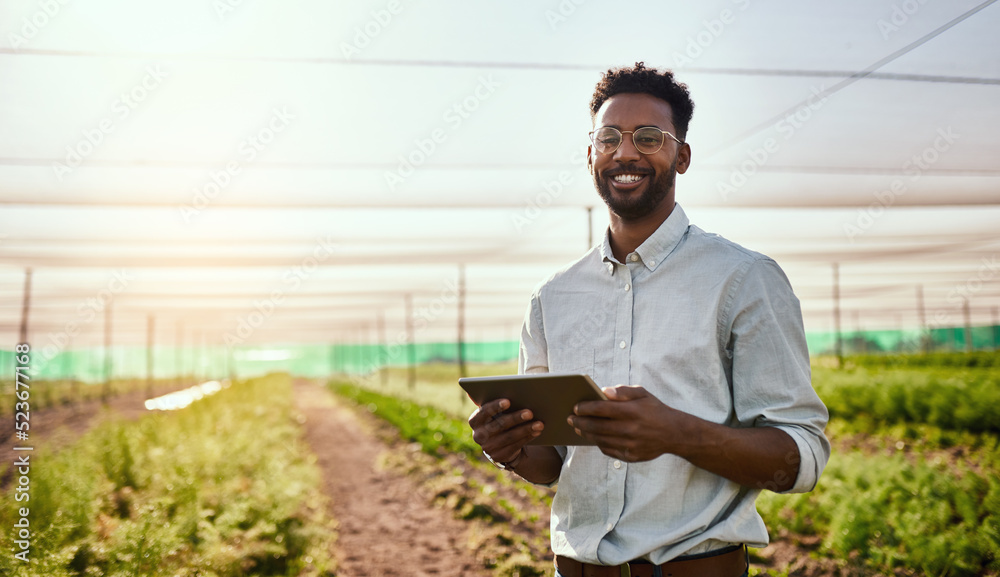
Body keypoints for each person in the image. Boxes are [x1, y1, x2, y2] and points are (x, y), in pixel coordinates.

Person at [467, 62, 830, 577]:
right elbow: (552, 464)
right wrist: (512, 450)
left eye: (649, 137)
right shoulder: (553, 296)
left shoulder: (744, 279)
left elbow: (800, 456)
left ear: (681, 156)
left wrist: (675, 433)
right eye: (609, 137)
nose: (626, 151)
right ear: (590, 154)